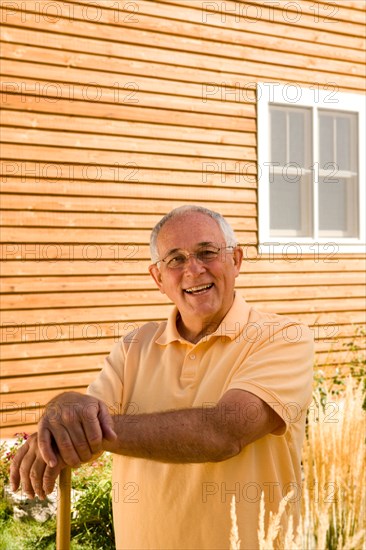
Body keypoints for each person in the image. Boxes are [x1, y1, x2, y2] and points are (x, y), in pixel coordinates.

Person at [10, 205, 314, 549]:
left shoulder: (282, 337)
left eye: (207, 252)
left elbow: (223, 433)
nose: (194, 270)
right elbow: (83, 417)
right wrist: (62, 409)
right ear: (158, 278)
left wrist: (91, 430)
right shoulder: (133, 348)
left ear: (236, 260)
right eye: (176, 259)